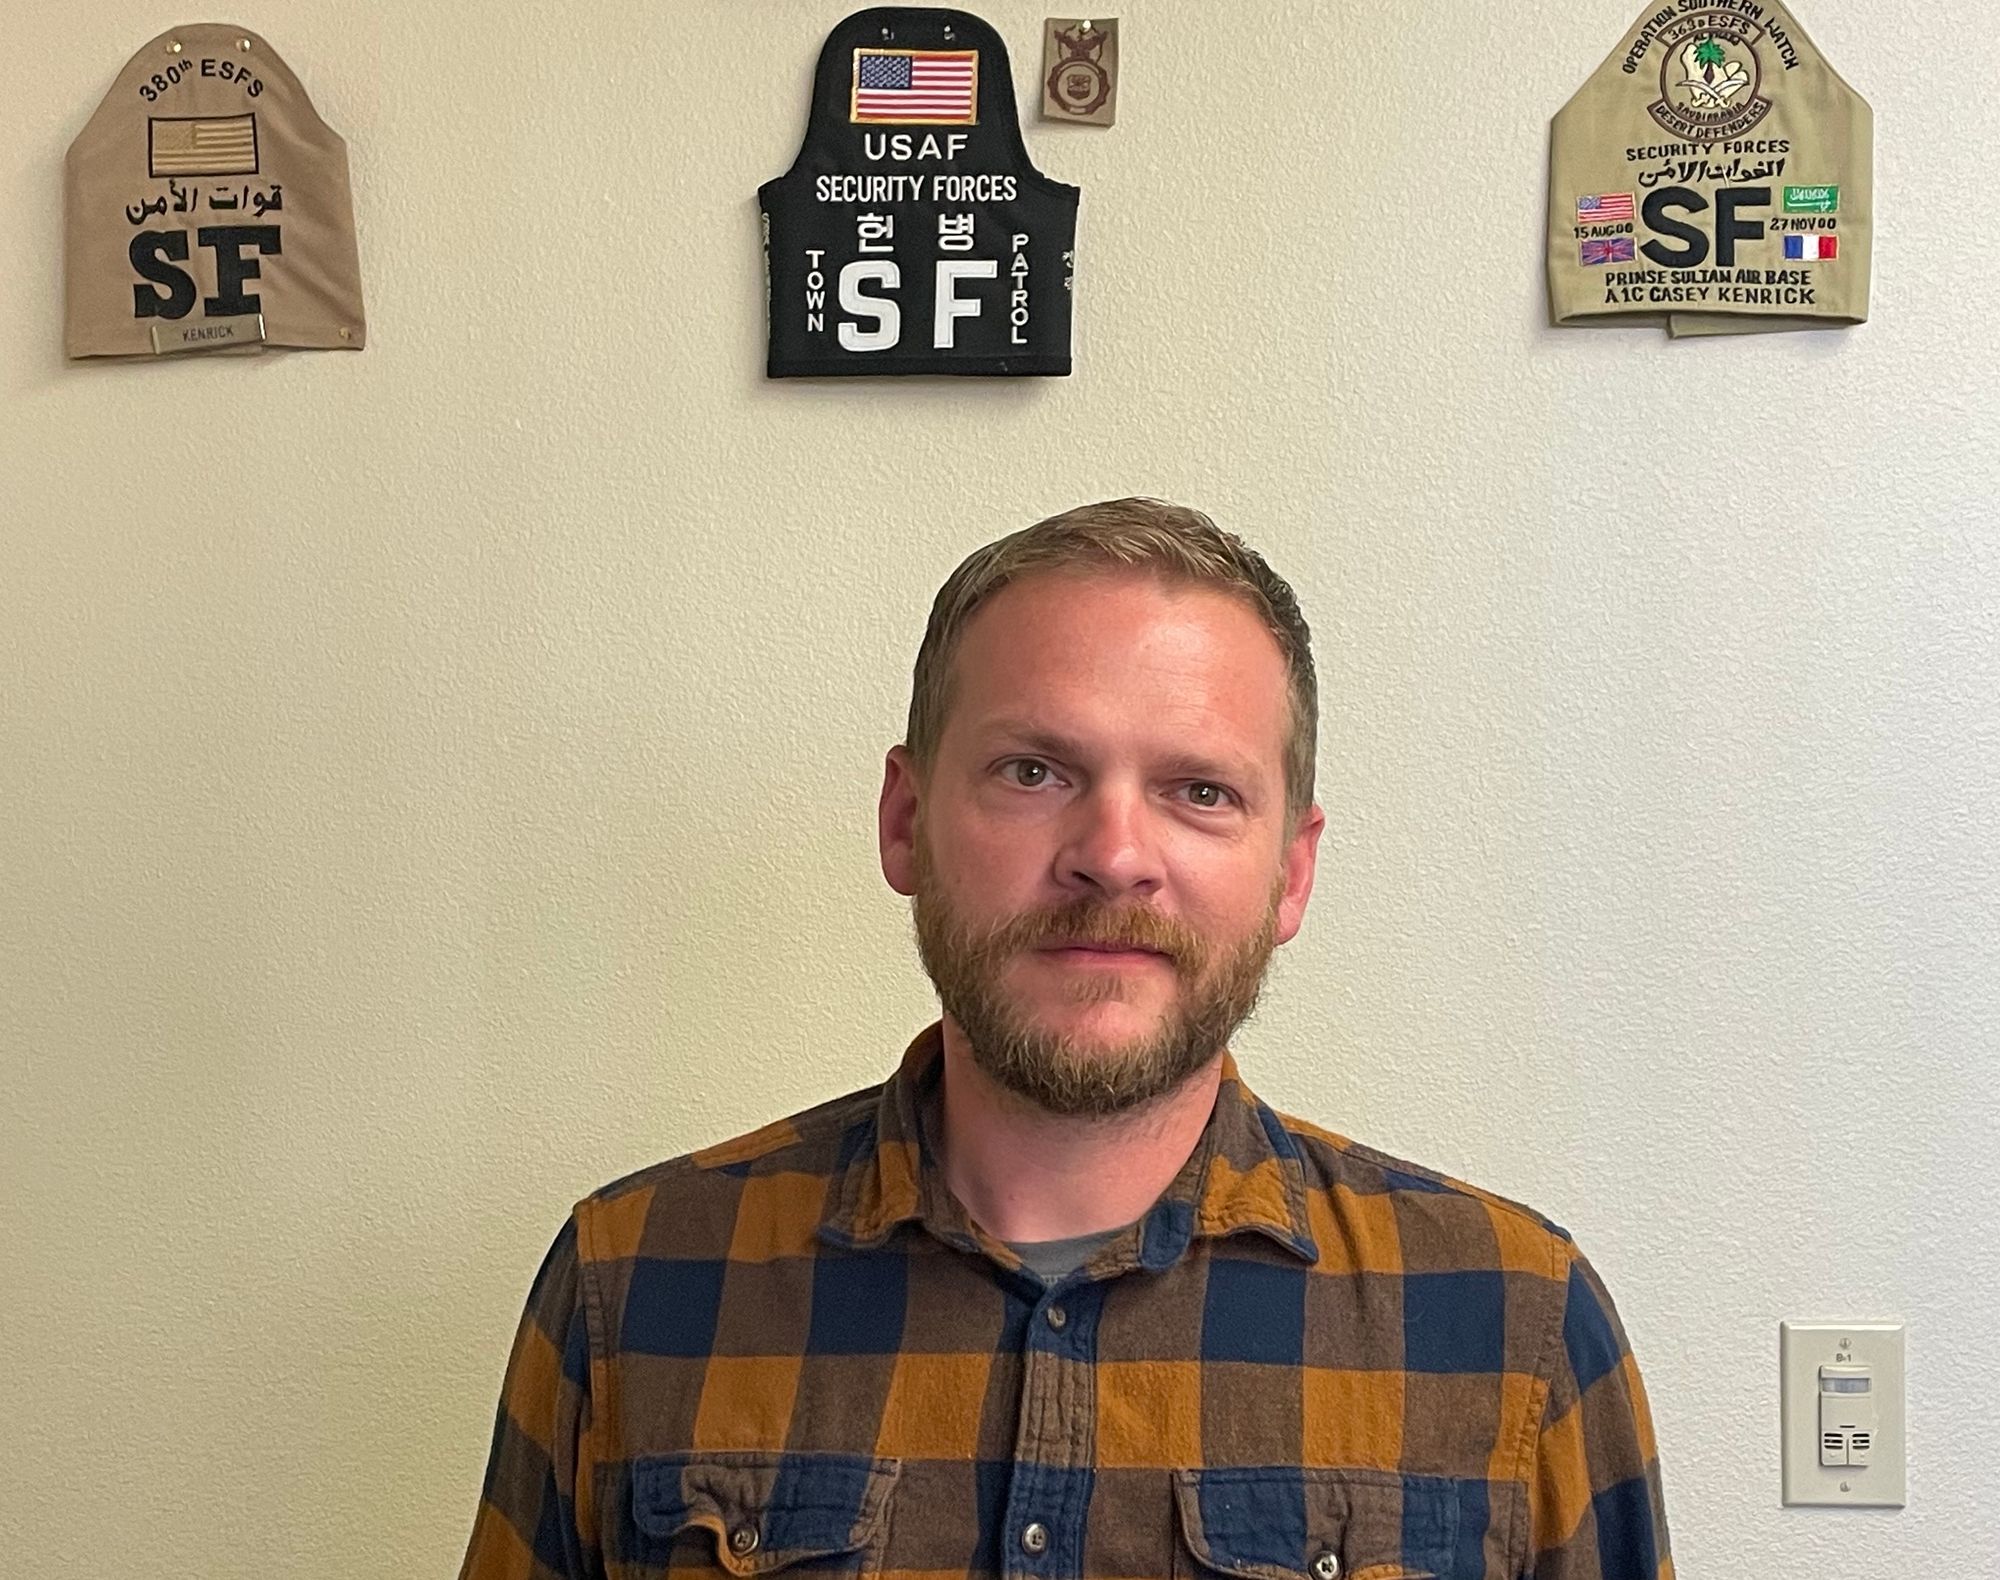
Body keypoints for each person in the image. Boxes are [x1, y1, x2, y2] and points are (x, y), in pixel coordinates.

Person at [457, 498, 1672, 1580]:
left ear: (1288, 873)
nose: (1113, 851)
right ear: (905, 820)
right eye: (1034, 769)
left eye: (1199, 788)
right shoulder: (632, 1282)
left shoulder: (1511, 1325)